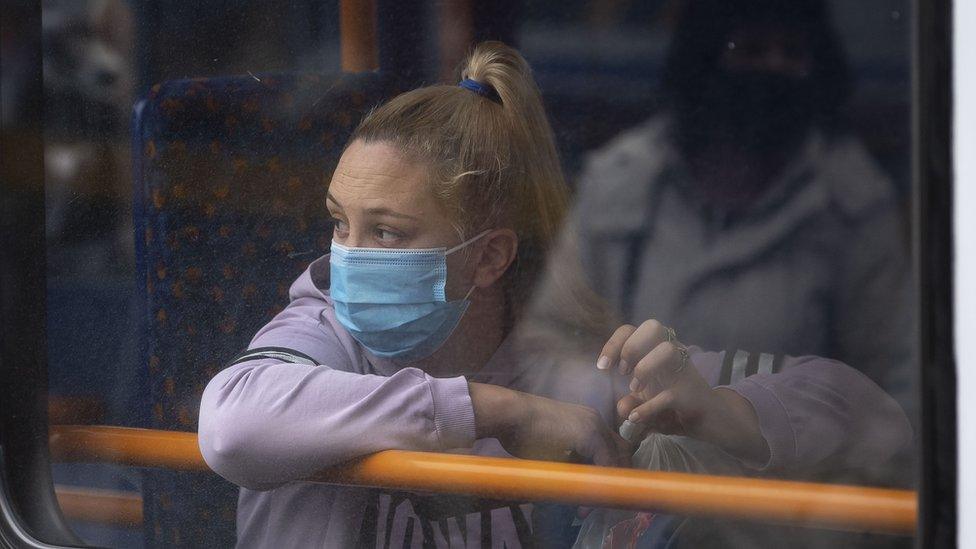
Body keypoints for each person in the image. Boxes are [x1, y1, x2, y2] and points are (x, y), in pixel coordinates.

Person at [198, 41, 910, 548]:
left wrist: (723, 412)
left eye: (385, 233)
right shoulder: (323, 332)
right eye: (338, 222)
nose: (345, 257)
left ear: (489, 258)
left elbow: (873, 414)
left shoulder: (575, 366)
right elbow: (233, 421)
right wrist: (497, 411)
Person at [558, 0, 916, 421]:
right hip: (630, 470)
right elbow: (549, 343)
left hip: (780, 481)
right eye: (750, 50)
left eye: (792, 53)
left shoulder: (851, 203)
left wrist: (779, 437)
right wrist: (608, 401)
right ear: (705, 57)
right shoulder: (622, 180)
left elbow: (898, 393)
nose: (772, 68)